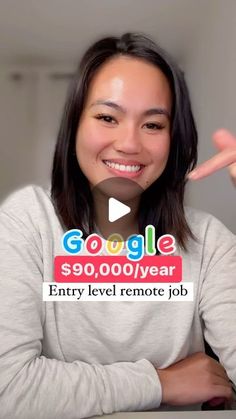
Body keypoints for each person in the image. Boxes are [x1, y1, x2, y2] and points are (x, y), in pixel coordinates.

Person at [0, 33, 235, 419]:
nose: (129, 143)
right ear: (74, 125)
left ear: (174, 140)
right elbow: (8, 390)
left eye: (154, 125)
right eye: (107, 117)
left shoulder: (210, 243)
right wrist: (162, 383)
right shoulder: (27, 221)